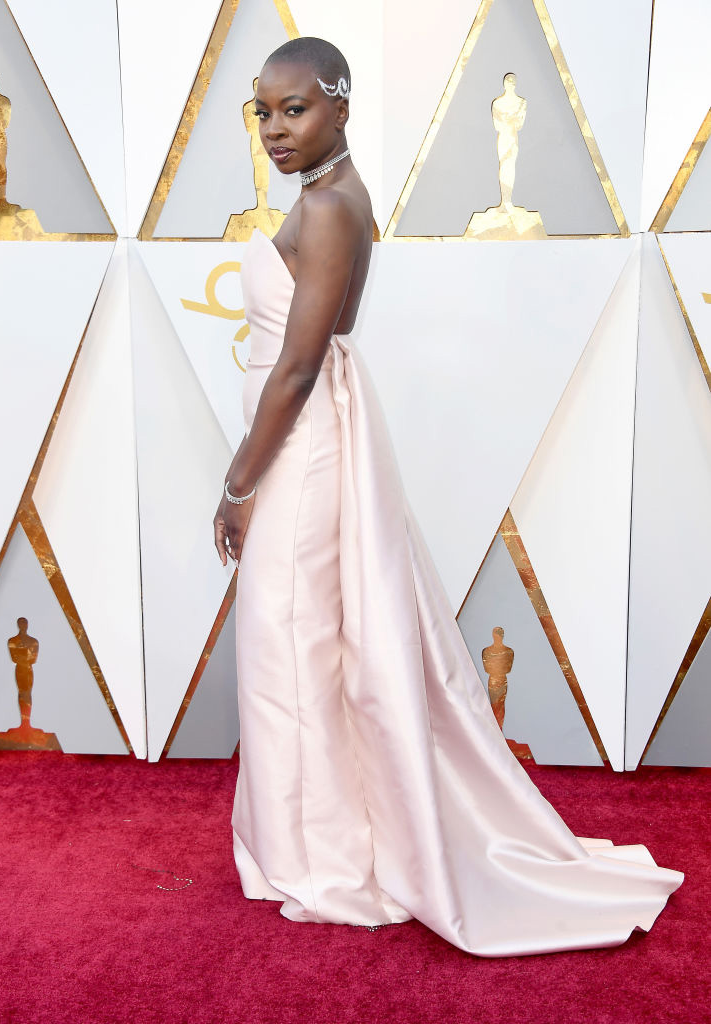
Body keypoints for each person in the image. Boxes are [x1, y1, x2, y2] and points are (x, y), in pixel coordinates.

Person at [213, 37, 684, 957]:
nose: (275, 128)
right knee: (296, 644)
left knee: (291, 645)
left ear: (341, 106)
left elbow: (302, 363)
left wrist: (238, 483)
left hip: (299, 453)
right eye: (262, 111)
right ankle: (308, 840)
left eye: (295, 108)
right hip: (310, 442)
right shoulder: (329, 196)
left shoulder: (330, 210)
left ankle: (322, 858)